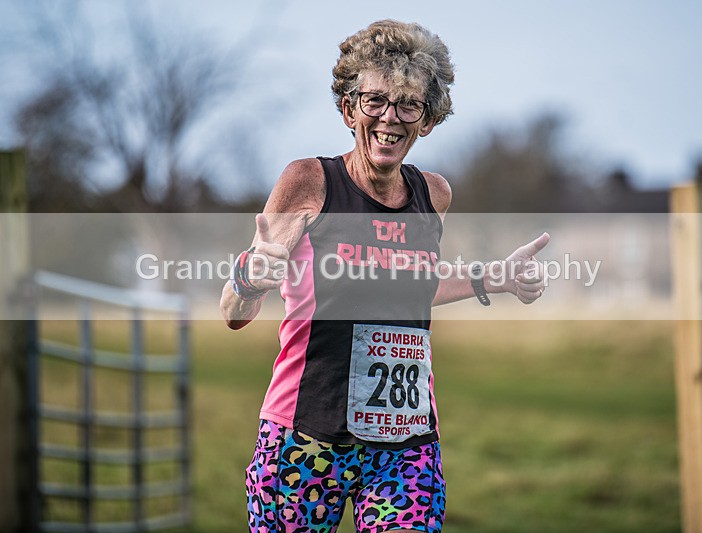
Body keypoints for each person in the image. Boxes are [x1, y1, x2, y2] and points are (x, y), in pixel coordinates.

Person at [220, 19, 549, 533]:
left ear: (428, 119)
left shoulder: (433, 194)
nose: (389, 117)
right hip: (305, 436)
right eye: (374, 100)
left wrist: (493, 279)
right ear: (349, 109)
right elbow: (234, 313)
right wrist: (251, 278)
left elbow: (408, 288)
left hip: (405, 442)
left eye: (408, 104)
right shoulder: (309, 181)